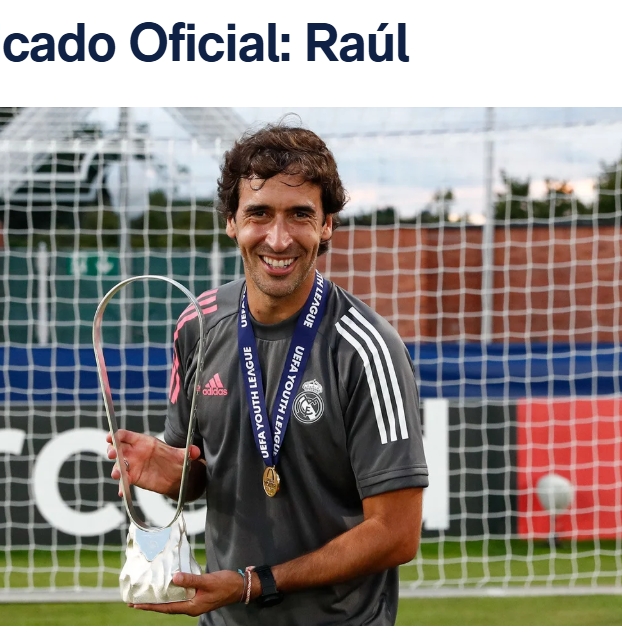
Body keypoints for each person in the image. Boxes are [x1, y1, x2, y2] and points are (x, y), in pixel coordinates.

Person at [106, 121, 428, 625]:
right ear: (232, 222)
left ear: (327, 225)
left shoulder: (368, 349)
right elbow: (201, 473)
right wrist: (173, 475)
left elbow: (397, 533)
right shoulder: (197, 325)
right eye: (259, 213)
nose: (278, 239)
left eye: (300, 214)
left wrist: (254, 583)